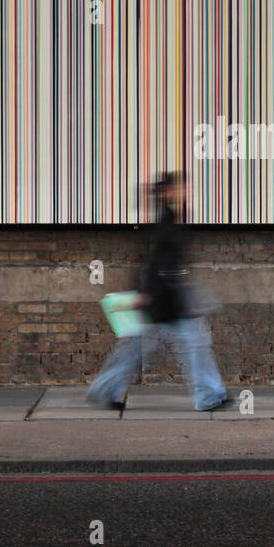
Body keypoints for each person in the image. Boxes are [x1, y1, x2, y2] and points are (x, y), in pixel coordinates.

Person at [86, 172, 229, 412]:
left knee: (140, 349)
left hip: (165, 299)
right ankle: (209, 396)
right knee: (191, 345)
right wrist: (148, 294)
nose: (186, 191)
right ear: (168, 192)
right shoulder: (166, 222)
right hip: (165, 301)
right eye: (181, 187)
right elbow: (155, 263)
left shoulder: (170, 219)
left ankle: (105, 389)